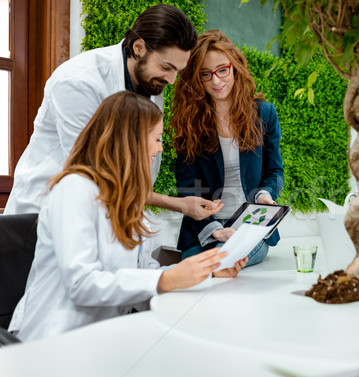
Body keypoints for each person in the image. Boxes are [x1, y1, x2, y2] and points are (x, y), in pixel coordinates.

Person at [8, 92, 247, 342]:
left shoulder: (129, 198)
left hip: (103, 338)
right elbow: (82, 284)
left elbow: (145, 273)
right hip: (54, 341)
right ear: (129, 140)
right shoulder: (74, 189)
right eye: (156, 138)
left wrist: (207, 272)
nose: (159, 148)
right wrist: (165, 279)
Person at [5, 4, 221, 221]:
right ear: (139, 47)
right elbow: (95, 173)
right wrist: (175, 204)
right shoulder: (78, 81)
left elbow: (137, 175)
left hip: (98, 215)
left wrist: (182, 204)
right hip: (42, 213)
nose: (172, 79)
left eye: (177, 70)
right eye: (166, 67)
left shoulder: (151, 81)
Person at [171, 30, 284, 266]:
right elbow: (188, 187)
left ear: (235, 67)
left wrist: (264, 194)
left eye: (223, 70)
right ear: (196, 78)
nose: (216, 80)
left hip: (249, 225)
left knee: (220, 260)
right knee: (198, 263)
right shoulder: (189, 121)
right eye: (206, 74)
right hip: (204, 227)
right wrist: (214, 230)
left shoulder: (264, 113)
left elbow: (275, 171)